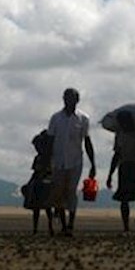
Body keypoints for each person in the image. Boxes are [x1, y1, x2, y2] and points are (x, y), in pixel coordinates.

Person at [48, 88, 96, 236]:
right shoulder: (56, 118)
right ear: (63, 99)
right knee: (59, 193)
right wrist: (47, 161)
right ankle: (63, 225)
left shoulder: (83, 119)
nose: (69, 101)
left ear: (77, 100)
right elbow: (50, 140)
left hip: (75, 161)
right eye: (67, 98)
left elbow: (87, 141)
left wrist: (93, 163)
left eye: (72, 98)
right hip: (58, 161)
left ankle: (70, 225)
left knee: (71, 191)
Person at [23, 129, 54, 235]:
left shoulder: (49, 157)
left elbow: (49, 171)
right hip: (38, 182)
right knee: (38, 208)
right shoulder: (38, 157)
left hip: (46, 183)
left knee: (47, 207)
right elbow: (35, 172)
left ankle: (49, 227)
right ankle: (36, 229)